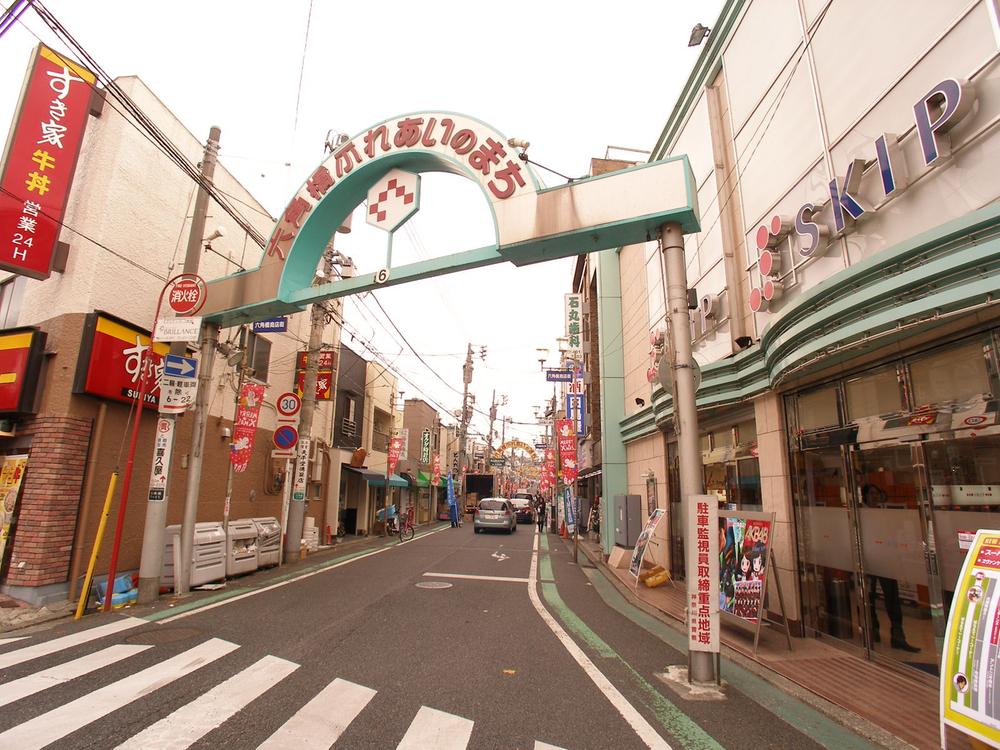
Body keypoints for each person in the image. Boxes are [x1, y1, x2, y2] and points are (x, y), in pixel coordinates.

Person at [860, 483, 920, 653]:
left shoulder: (883, 513)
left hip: (886, 560)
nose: (875, 497)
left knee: (892, 598)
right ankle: (872, 632)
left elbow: (890, 535)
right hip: (869, 560)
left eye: (877, 493)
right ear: (865, 496)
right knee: (868, 598)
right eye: (872, 493)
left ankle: (898, 636)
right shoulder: (861, 514)